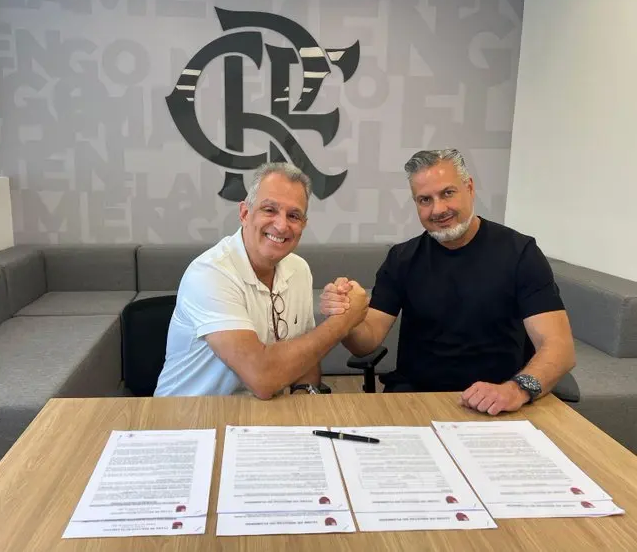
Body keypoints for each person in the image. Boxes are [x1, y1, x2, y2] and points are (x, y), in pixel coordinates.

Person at [320, 148, 575, 415]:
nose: (438, 209)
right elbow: (366, 343)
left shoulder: (520, 253)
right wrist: (345, 316)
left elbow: (559, 347)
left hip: (498, 399)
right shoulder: (402, 259)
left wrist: (516, 390)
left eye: (447, 193)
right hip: (417, 397)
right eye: (425, 200)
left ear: (470, 188)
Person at [155, 162, 368, 399]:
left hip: (263, 413)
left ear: (303, 225)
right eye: (269, 210)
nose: (281, 225)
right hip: (188, 413)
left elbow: (306, 356)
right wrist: (342, 323)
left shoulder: (299, 269)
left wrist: (302, 395)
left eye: (293, 215)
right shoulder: (210, 273)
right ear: (245, 214)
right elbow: (262, 378)